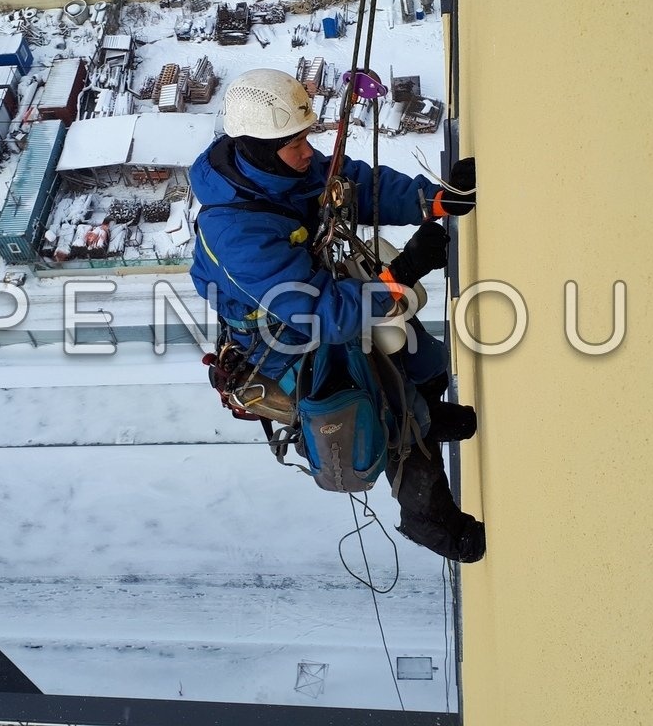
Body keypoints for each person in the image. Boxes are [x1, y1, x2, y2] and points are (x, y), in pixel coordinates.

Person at [190, 68, 486, 563]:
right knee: (388, 402)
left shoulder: (285, 171)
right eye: (295, 145)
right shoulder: (236, 232)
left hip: (316, 300)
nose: (309, 153)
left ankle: (430, 415)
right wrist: (401, 273)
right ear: (261, 149)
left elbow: (353, 187)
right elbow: (320, 313)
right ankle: (427, 516)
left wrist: (432, 200)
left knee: (421, 358)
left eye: (307, 139)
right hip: (286, 338)